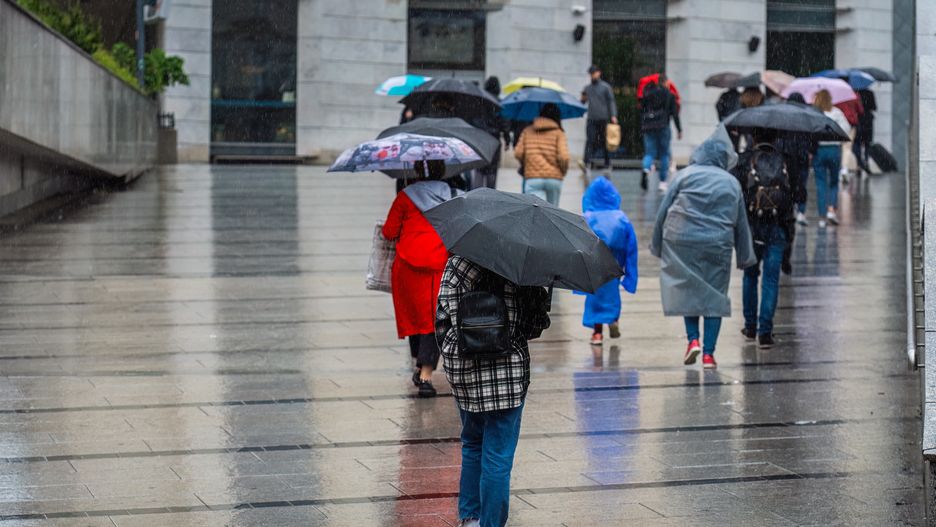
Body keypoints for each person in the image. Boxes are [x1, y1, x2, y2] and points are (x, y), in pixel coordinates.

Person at [436, 255, 551, 527]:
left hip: (465, 370)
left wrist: (451, 353)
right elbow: (533, 327)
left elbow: (442, 317)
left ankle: (470, 518)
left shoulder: (458, 264)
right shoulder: (523, 270)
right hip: (507, 375)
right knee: (498, 455)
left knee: (473, 442)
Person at [650, 126, 756, 370]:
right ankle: (709, 355)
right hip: (717, 244)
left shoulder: (685, 176)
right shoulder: (731, 182)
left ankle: (693, 340)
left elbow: (664, 211)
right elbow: (741, 222)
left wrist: (657, 244)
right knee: (714, 297)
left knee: (689, 290)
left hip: (683, 241)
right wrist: (744, 255)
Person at [382, 160, 459, 397]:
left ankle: (422, 367)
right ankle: (425, 370)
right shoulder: (454, 197)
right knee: (434, 319)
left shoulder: (406, 196)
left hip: (407, 267)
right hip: (439, 265)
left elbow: (389, 232)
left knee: (415, 318)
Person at [733, 129, 797, 348]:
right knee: (771, 280)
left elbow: (736, 195)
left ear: (754, 137)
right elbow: (794, 196)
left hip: (751, 228)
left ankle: (750, 326)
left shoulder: (744, 161)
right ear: (775, 137)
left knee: (750, 276)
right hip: (778, 226)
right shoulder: (785, 161)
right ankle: (765, 332)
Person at [580, 176, 638, 346]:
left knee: (595, 295)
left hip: (596, 261)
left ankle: (597, 333)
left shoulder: (588, 217)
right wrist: (630, 272)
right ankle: (614, 319)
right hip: (616, 260)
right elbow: (631, 246)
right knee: (613, 292)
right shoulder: (621, 217)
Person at [514, 104, 569, 206]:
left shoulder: (527, 131)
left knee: (535, 213)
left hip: (533, 178)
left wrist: (528, 162)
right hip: (554, 179)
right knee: (553, 214)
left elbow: (518, 153)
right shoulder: (559, 133)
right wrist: (562, 171)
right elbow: (564, 157)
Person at [777, 92, 817, 227]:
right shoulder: (807, 115)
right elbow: (813, 136)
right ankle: (801, 211)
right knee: (802, 182)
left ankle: (790, 208)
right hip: (802, 154)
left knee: (788, 182)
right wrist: (812, 151)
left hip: (787, 154)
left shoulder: (783, 115)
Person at [812, 89, 851, 228]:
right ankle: (831, 210)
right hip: (834, 149)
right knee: (834, 181)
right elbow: (846, 128)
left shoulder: (815, 113)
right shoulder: (837, 112)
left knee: (821, 183)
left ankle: (822, 217)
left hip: (819, 150)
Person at [640, 76, 682, 192]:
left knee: (649, 153)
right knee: (664, 154)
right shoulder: (669, 95)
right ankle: (662, 182)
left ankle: (646, 168)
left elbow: (642, 108)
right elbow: (675, 114)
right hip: (663, 126)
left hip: (648, 126)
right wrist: (679, 129)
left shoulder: (649, 93)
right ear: (666, 82)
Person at [472, 76, 509, 190]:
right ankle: (490, 193)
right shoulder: (500, 103)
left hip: (480, 139)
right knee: (492, 170)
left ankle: (476, 193)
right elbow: (505, 123)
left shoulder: (479, 101)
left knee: (479, 167)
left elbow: (473, 119)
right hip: (494, 140)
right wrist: (507, 140)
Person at [581, 65, 618, 170]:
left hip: (603, 118)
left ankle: (607, 162)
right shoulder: (587, 88)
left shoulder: (605, 87)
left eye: (594, 73)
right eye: (591, 74)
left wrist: (613, 115)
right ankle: (586, 162)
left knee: (606, 141)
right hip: (592, 118)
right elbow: (583, 102)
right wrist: (583, 97)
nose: (592, 76)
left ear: (599, 73)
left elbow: (611, 101)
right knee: (590, 140)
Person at [853, 88, 877, 174]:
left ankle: (859, 163)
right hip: (868, 121)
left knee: (857, 143)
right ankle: (866, 161)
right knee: (867, 143)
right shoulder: (870, 93)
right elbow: (874, 107)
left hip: (859, 121)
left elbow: (855, 108)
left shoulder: (854, 94)